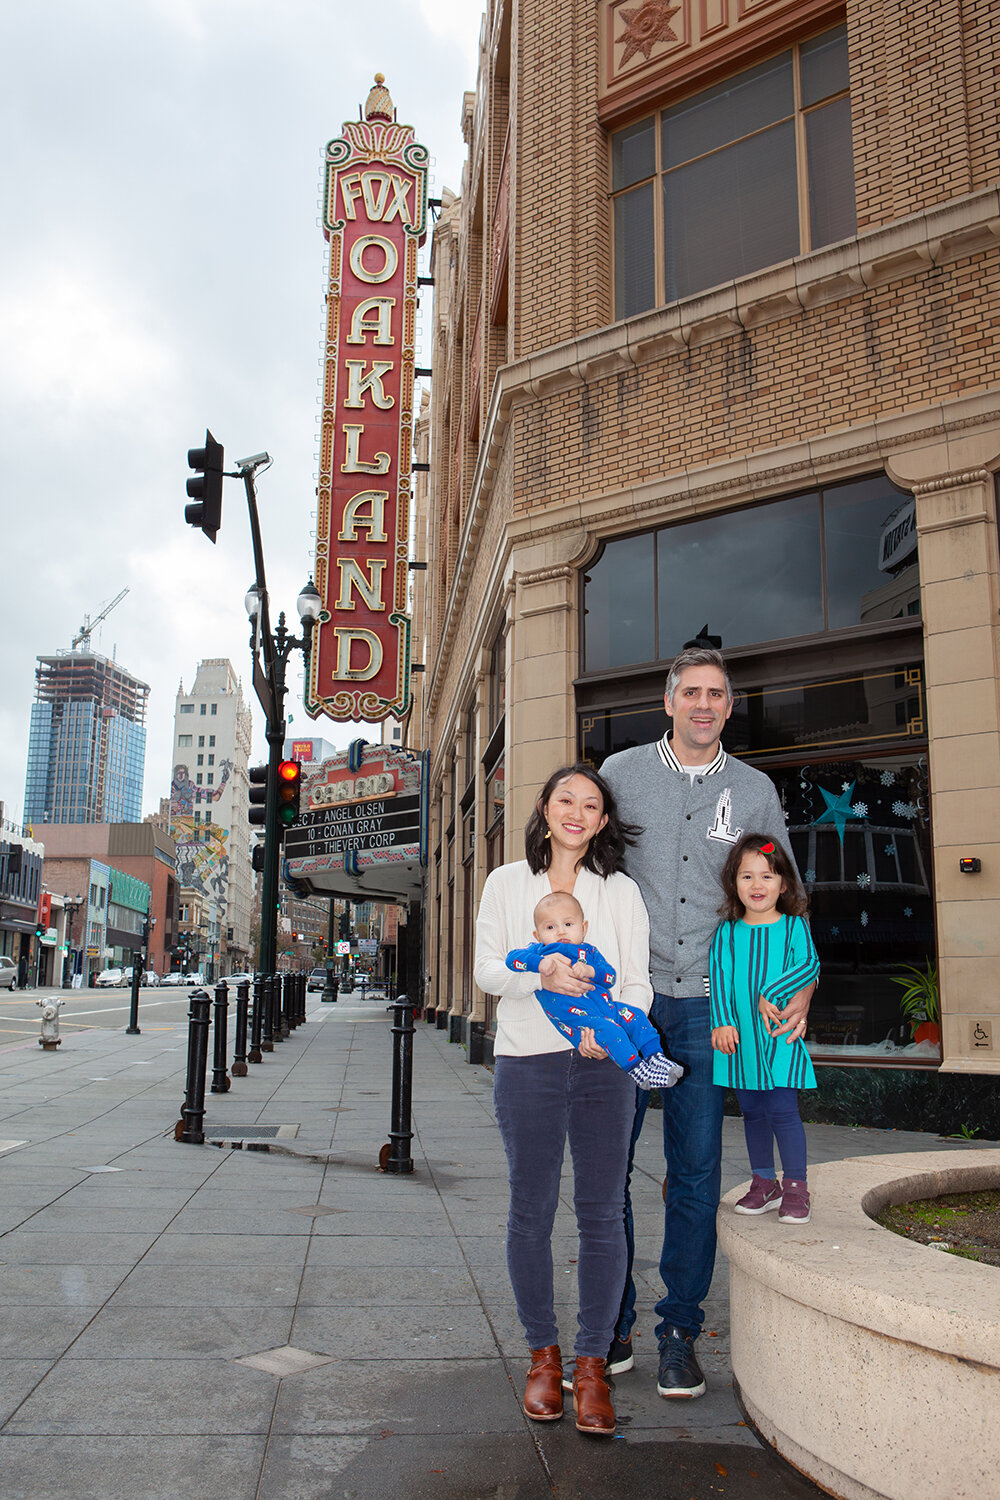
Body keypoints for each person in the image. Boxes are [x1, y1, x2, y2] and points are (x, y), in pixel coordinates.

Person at [599, 645, 813, 1400]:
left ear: (729, 705)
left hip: (710, 1010)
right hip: (627, 1002)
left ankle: (679, 1331)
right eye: (690, 691)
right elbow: (580, 872)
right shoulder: (620, 776)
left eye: (716, 694)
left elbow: (783, 896)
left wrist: (800, 987)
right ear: (668, 701)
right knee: (606, 1171)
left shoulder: (754, 791)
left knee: (694, 1174)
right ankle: (612, 1326)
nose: (702, 704)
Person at [474, 764, 651, 1438]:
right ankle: (544, 1358)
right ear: (545, 808)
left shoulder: (621, 892)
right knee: (531, 1209)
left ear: (602, 821)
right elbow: (487, 969)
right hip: (526, 1065)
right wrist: (537, 971)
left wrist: (616, 1035)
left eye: (591, 805)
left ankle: (593, 1365)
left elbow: (637, 983)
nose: (576, 812)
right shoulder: (504, 883)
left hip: (603, 1068)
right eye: (565, 800)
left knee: (603, 1213)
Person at [710, 835, 820, 1224]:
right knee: (752, 1113)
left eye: (767, 876)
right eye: (747, 877)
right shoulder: (726, 933)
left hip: (779, 1038)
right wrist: (721, 1021)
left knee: (783, 1111)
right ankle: (763, 1182)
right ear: (733, 883)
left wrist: (769, 993)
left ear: (784, 884)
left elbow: (809, 966)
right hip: (741, 1042)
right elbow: (719, 980)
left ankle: (795, 1187)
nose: (757, 886)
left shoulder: (793, 928)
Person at [505, 891, 683, 1090]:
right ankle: (638, 1070)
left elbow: (609, 977)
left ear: (584, 927)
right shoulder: (540, 951)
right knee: (611, 1031)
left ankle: (655, 1056)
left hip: (606, 1007)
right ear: (537, 935)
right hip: (578, 1018)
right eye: (550, 927)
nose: (561, 932)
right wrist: (540, 965)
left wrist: (591, 971)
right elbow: (511, 959)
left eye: (568, 924)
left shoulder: (589, 952)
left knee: (636, 1016)